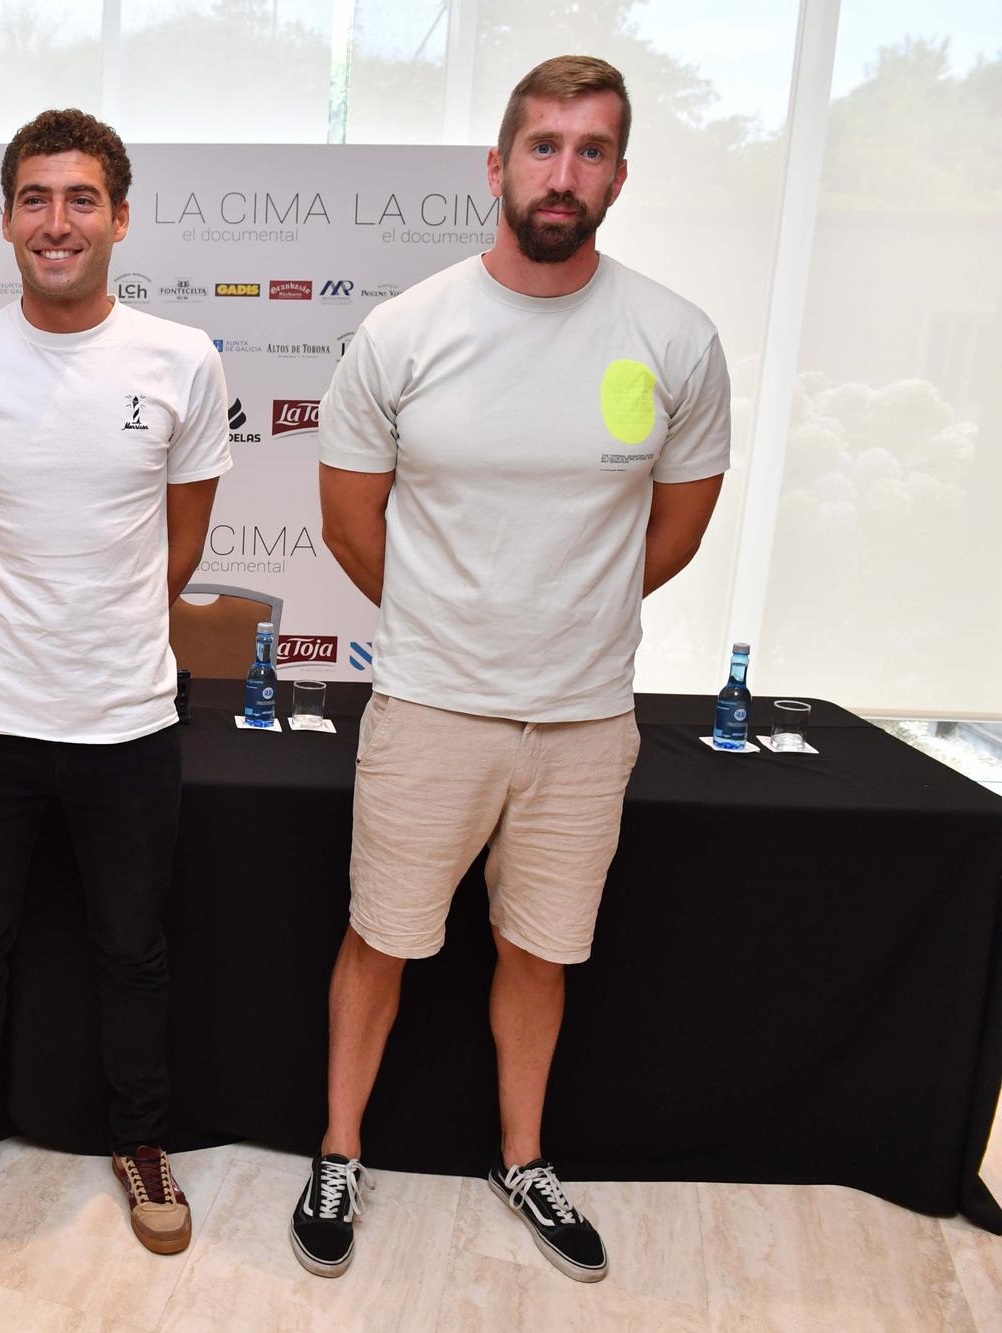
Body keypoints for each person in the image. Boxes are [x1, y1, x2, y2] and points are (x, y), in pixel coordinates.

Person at [291, 55, 731, 1281]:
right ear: (496, 165)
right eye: (541, 146)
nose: (562, 171)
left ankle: (522, 1157)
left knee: (538, 950)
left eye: (590, 150)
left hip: (585, 720)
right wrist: (455, 623)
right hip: (430, 705)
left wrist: (564, 617)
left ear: (619, 176)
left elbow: (678, 526)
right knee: (378, 936)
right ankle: (338, 1149)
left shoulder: (674, 337)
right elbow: (345, 522)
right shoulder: (405, 331)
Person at [0, 109, 231, 1255]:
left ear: (119, 217)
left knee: (130, 949)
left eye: (80, 198)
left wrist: (101, 621)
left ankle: (141, 1141)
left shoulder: (181, 358)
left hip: (127, 715)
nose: (56, 221)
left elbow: (177, 551)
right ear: (5, 219)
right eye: (35, 198)